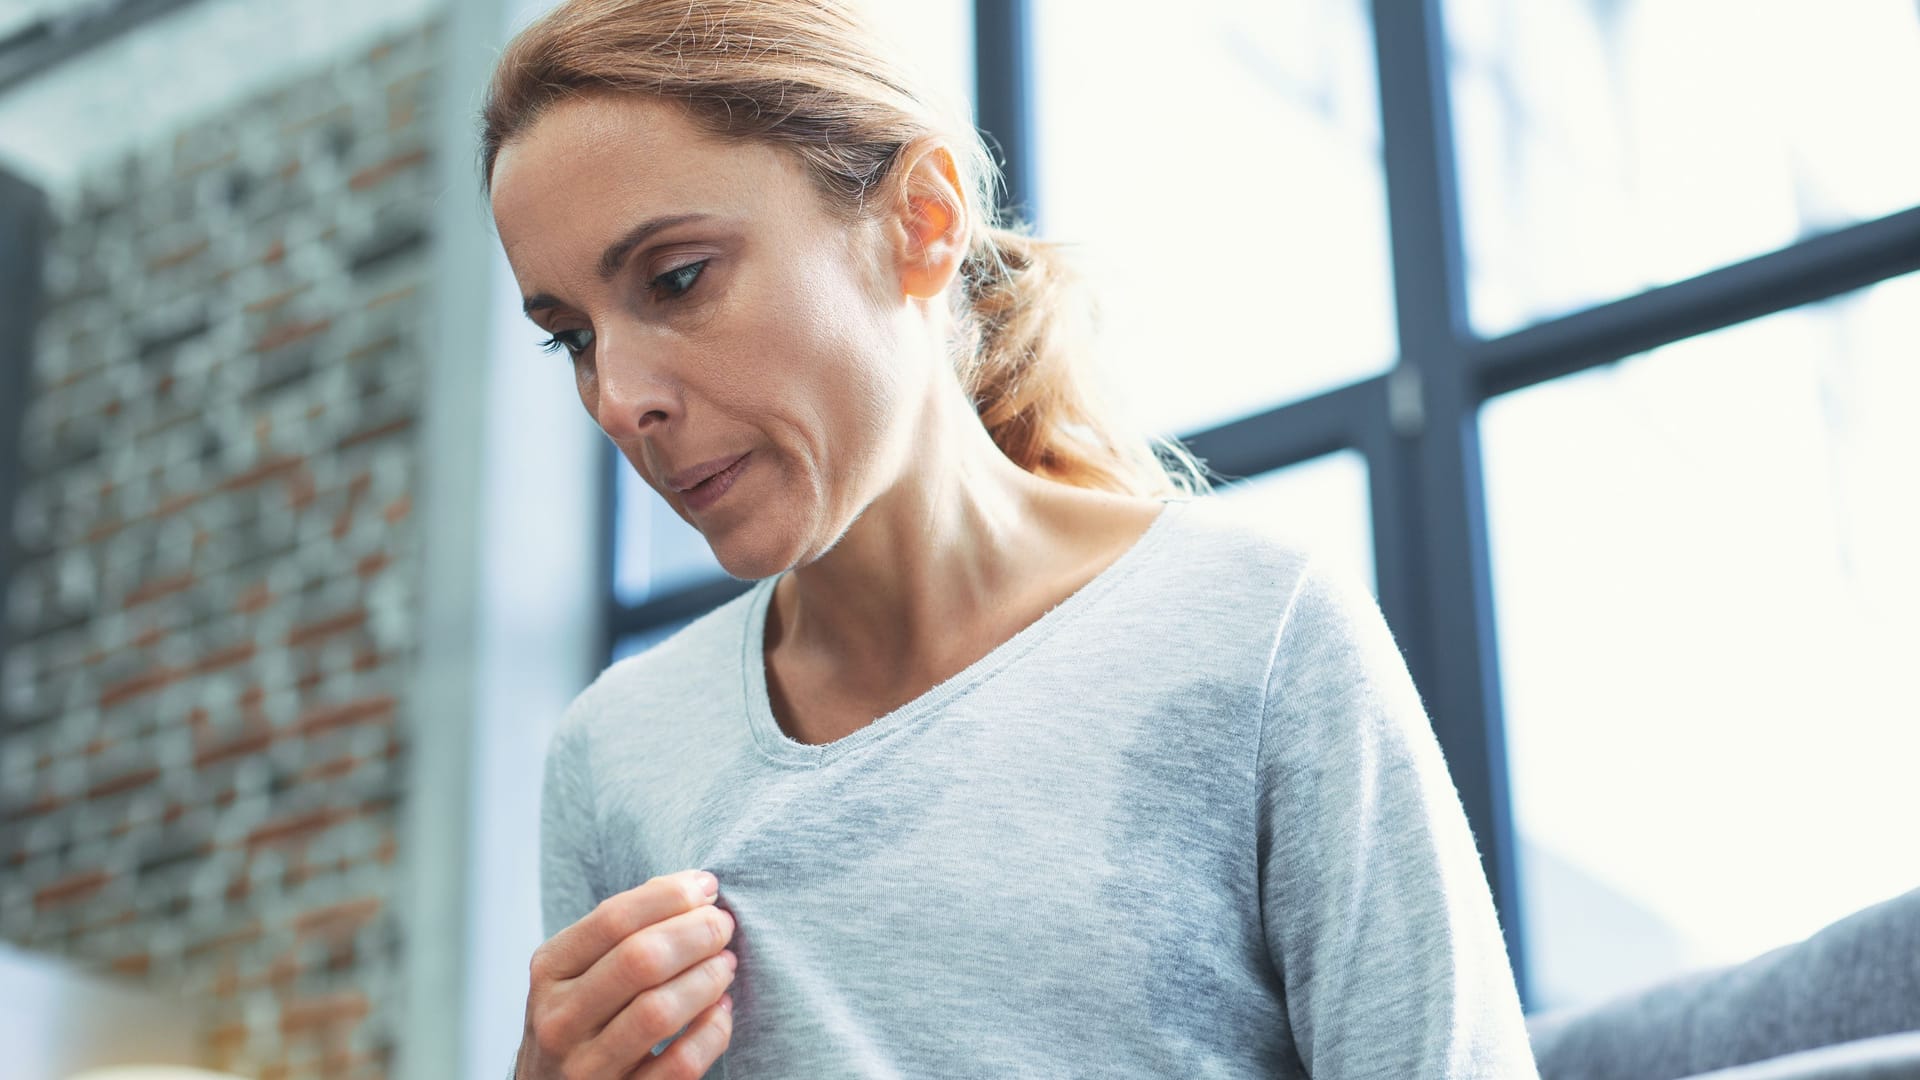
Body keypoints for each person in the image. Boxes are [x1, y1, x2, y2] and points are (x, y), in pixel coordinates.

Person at [481, 1, 1540, 1076]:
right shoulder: (614, 757)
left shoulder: (1257, 634)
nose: (618, 399)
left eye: (675, 279)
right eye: (570, 337)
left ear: (923, 222)